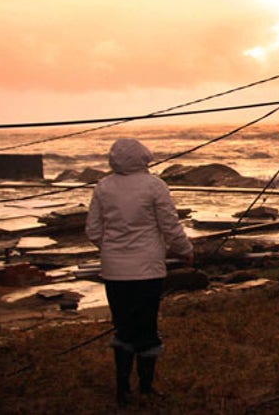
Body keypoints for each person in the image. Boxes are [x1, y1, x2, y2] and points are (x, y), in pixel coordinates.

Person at [85, 138, 193, 407]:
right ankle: (145, 387)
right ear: (143, 158)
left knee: (123, 327)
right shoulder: (154, 185)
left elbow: (93, 230)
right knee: (146, 327)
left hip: (113, 271)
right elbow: (170, 225)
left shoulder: (103, 186)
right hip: (147, 270)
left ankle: (122, 390)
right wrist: (185, 250)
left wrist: (110, 249)